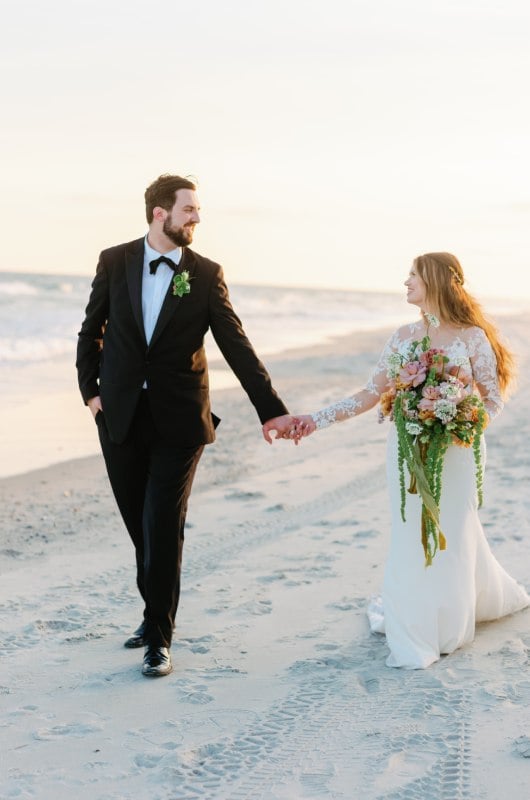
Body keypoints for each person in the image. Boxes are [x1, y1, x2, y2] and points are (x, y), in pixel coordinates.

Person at [263, 252, 529, 668]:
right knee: (410, 532)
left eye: (413, 276)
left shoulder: (472, 337)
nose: (405, 282)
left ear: (437, 282)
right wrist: (313, 420)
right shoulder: (403, 336)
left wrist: (460, 419)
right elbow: (369, 395)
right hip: (406, 450)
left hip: (456, 451)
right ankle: (416, 623)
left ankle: (450, 622)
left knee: (454, 531)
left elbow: (492, 401)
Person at [76, 174, 293, 677]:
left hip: (180, 421)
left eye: (196, 210)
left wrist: (272, 410)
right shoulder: (114, 261)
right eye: (189, 209)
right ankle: (152, 613)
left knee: (161, 525)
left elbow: (236, 346)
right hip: (120, 418)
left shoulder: (206, 273)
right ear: (160, 213)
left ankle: (159, 637)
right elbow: (91, 330)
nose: (197, 217)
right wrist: (91, 394)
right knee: (140, 528)